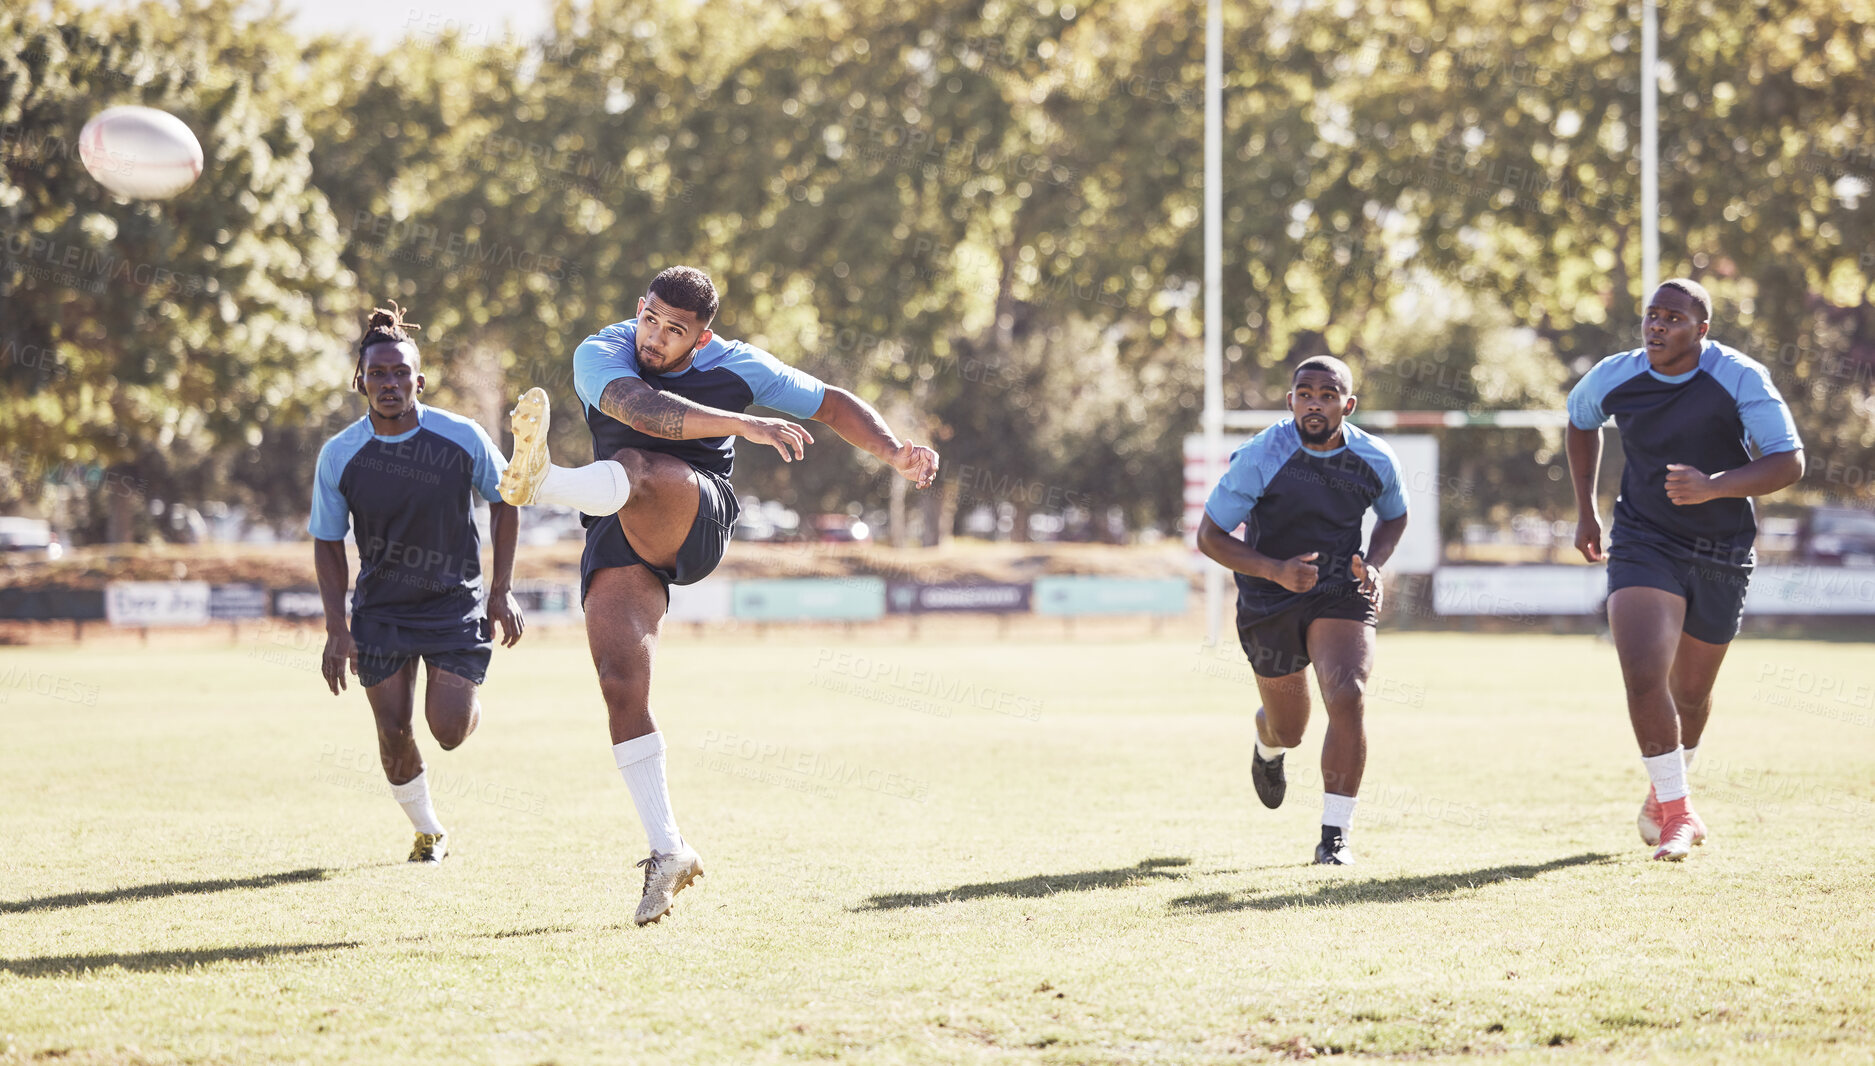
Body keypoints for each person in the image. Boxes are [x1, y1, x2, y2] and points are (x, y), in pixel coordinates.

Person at [499, 266, 939, 924]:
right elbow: (634, 408)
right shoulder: (600, 351)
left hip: (696, 515)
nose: (654, 336)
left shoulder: (738, 364)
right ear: (637, 308)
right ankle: (668, 849)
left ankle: (542, 480)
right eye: (649, 318)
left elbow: (831, 401)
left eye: (674, 331)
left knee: (638, 468)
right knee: (619, 680)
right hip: (618, 528)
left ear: (701, 340)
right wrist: (744, 422)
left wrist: (894, 451)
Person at [1566, 278, 1803, 861]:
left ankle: (1665, 792)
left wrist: (1713, 487)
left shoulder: (1740, 377)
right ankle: (1678, 813)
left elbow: (1789, 462)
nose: (1657, 326)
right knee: (1644, 672)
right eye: (1651, 316)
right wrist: (1586, 512)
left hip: (1722, 552)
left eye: (1673, 318)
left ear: (1702, 330)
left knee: (1691, 696)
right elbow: (1579, 421)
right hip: (1643, 539)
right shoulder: (1616, 374)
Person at [311, 302, 525, 865]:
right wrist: (338, 628)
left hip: (454, 606)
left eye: (400, 372)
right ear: (360, 381)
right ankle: (429, 831)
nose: (389, 383)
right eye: (377, 374)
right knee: (393, 732)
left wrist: (500, 590)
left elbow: (507, 501)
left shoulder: (462, 437)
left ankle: (465, 694)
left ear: (419, 380)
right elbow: (327, 543)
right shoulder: (339, 456)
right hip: (381, 613)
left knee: (448, 730)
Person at [1197, 356, 1408, 866]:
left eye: (1328, 394)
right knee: (1290, 728)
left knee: (1349, 694)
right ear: (1290, 400)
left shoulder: (1376, 458)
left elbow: (1394, 518)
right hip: (1269, 597)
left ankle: (1334, 837)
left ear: (1348, 405)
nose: (1316, 402)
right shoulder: (1260, 456)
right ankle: (1267, 745)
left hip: (1341, 591)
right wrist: (1274, 570)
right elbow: (1210, 537)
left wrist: (1373, 566)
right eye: (1305, 392)